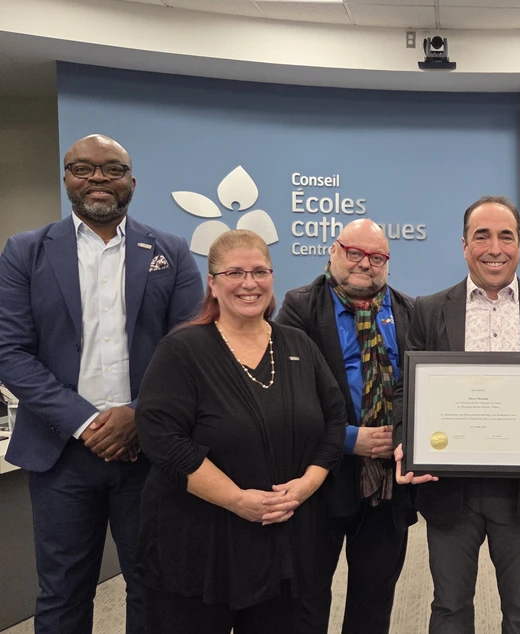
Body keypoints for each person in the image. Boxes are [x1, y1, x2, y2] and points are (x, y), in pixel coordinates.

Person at [0, 134, 203, 634]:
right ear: (67, 176)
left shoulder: (171, 252)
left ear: (131, 181)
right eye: (84, 169)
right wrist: (87, 422)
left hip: (150, 451)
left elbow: (192, 351)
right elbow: (10, 351)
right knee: (63, 590)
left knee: (153, 585)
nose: (98, 179)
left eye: (112, 169)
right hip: (60, 451)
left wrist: (138, 414)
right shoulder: (25, 252)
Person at [134, 230, 346, 633]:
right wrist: (236, 500)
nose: (249, 284)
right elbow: (162, 439)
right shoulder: (182, 350)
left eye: (259, 271)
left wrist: (307, 484)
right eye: (234, 273)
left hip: (284, 541)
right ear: (212, 284)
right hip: (200, 546)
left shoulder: (297, 344)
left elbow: (333, 420)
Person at [394, 195, 520, 634]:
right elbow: (409, 389)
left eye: (506, 236)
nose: (494, 247)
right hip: (449, 491)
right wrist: (407, 442)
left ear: (519, 244)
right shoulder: (429, 308)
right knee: (450, 609)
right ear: (464, 245)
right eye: (482, 236)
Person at [276, 219, 415, 633]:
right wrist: (351, 440)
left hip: (387, 485)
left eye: (376, 257)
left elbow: (421, 387)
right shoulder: (300, 307)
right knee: (307, 596)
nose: (364, 264)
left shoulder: (407, 311)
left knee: (374, 599)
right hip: (321, 478)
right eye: (354, 253)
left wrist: (405, 434)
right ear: (333, 252)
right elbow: (289, 396)